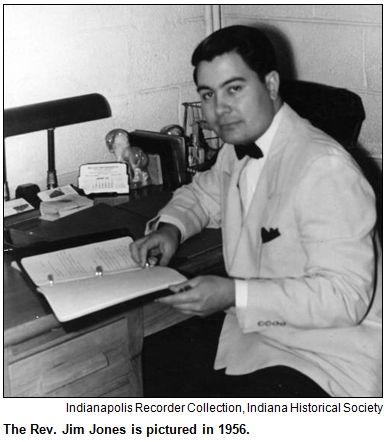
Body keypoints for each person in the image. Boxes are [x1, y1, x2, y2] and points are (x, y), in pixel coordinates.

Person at [130, 25, 382, 397]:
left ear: (272, 84)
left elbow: (345, 298)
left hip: (329, 358)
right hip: (262, 337)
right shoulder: (239, 147)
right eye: (208, 95)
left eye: (234, 89)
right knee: (147, 360)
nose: (219, 110)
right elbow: (202, 195)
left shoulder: (324, 168)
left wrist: (235, 295)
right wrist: (170, 228)